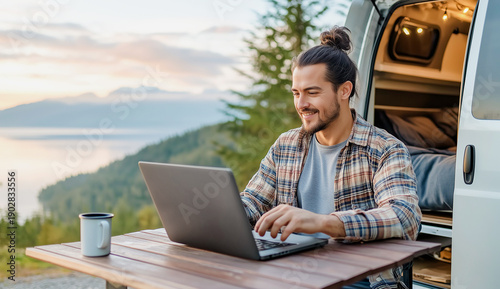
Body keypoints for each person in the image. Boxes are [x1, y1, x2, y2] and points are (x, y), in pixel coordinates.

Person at [239, 26, 421, 289]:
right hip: (292, 272)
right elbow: (253, 203)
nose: (301, 104)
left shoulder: (385, 149)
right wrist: (220, 214)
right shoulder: (286, 145)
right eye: (296, 93)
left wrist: (323, 223)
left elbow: (405, 218)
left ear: (344, 91)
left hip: (361, 281)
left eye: (312, 92)